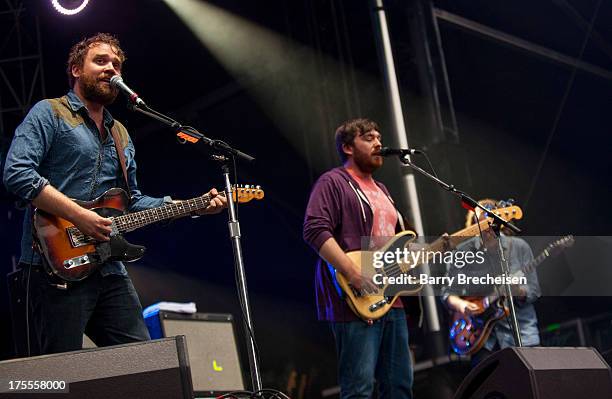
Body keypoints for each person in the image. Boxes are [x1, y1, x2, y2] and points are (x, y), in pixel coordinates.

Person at [3, 33, 226, 356]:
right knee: (61, 374)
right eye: (101, 61)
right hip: (53, 266)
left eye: (117, 64)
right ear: (76, 69)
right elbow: (17, 173)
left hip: (108, 268)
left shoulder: (120, 133)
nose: (111, 69)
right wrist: (80, 216)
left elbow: (131, 201)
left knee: (143, 365)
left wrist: (191, 207)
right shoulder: (49, 113)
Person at [303, 118, 413, 399]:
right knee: (359, 389)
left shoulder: (384, 191)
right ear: (348, 147)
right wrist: (352, 273)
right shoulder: (334, 182)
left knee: (399, 386)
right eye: (369, 138)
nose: (379, 143)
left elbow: (393, 244)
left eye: (379, 137)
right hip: (353, 298)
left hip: (391, 299)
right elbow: (314, 230)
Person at [443, 199, 541, 366]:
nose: (488, 229)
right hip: (482, 339)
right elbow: (448, 293)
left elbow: (534, 290)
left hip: (522, 334)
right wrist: (461, 305)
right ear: (474, 225)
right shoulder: (462, 252)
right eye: (482, 223)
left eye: (492, 223)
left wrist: (519, 291)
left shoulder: (519, 247)